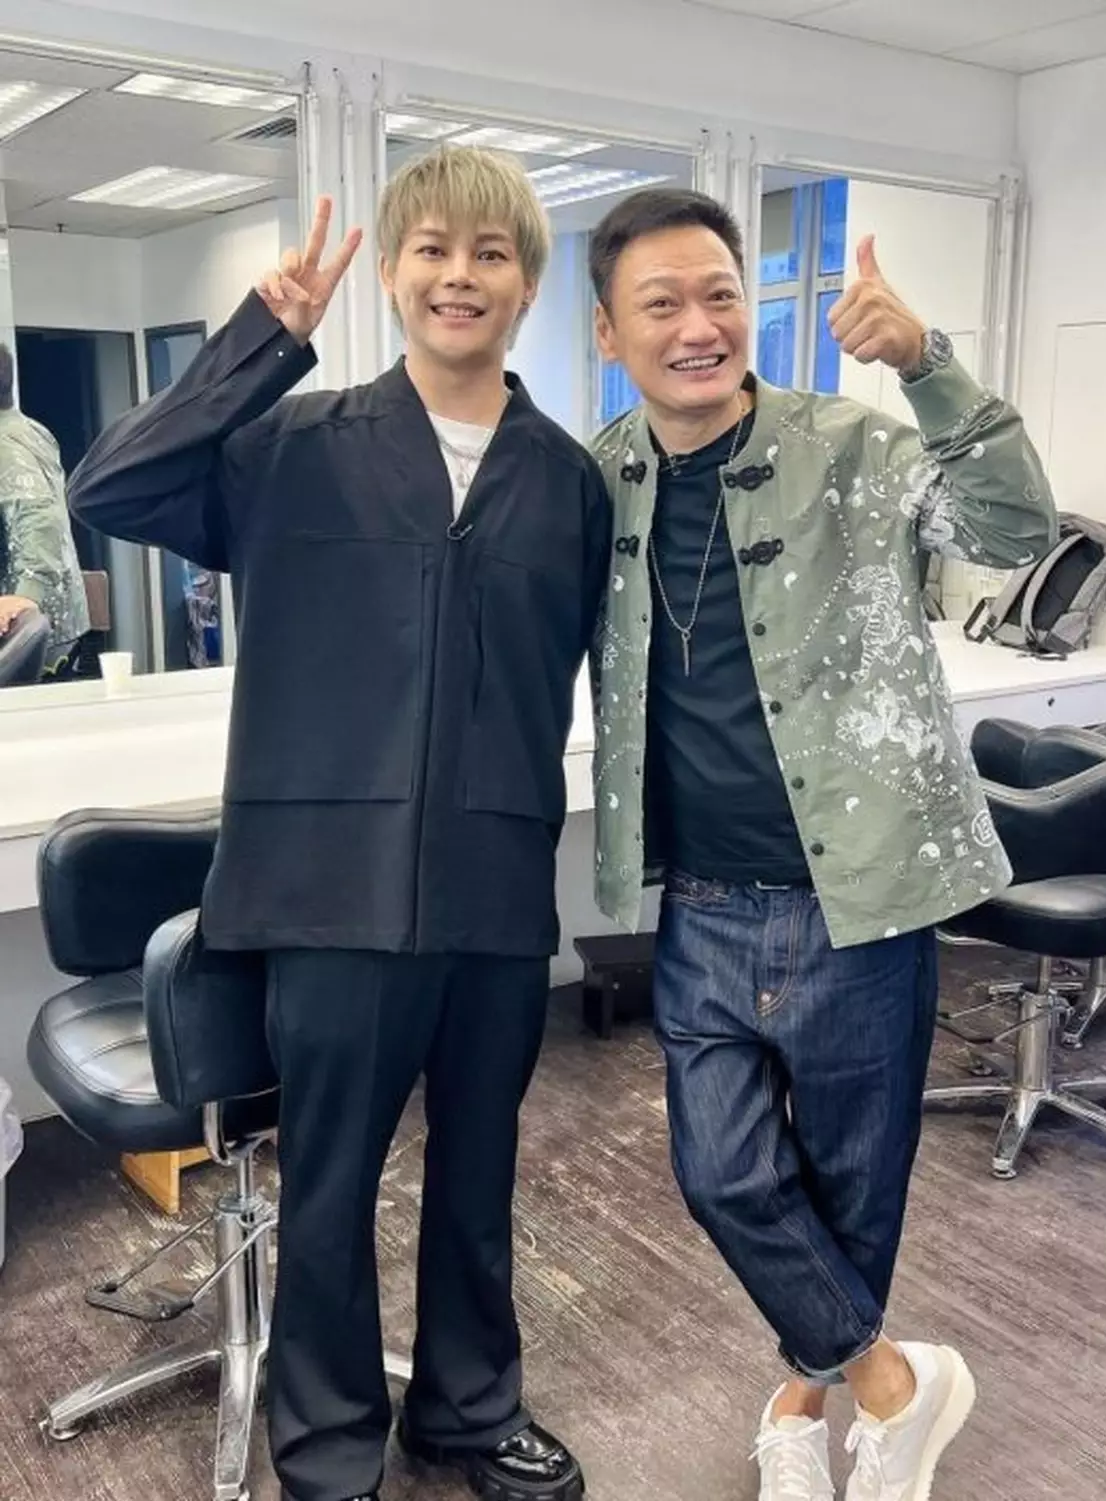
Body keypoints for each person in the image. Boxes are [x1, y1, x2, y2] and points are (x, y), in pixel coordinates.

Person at [69, 147, 609, 1501]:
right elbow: (108, 492)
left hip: (494, 882)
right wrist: (262, 341)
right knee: (327, 1189)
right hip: (328, 888)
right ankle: (327, 1447)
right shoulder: (295, 448)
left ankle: (470, 1411)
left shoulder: (569, 482)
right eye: (432, 248)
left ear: (527, 284)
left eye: (490, 253)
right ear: (394, 273)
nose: (459, 275)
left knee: (480, 1179)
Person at [586, 188, 1055, 1501]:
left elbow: (1017, 534)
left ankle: (806, 1397)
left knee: (852, 1191)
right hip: (703, 903)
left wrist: (926, 361)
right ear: (609, 332)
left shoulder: (849, 445)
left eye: (720, 296)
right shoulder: (595, 479)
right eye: (662, 304)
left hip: (860, 893)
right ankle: (902, 1385)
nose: (699, 326)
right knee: (722, 1174)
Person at [0, 342, 89, 668]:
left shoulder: (5, 444)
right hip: (53, 629)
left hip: (26, 633)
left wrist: (25, 595)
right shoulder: (31, 430)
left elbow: (41, 516)